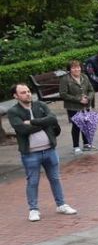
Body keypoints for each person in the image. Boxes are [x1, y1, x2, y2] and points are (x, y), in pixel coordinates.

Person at [8, 84, 75, 221]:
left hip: (50, 150)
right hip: (31, 153)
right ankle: (33, 209)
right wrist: (43, 124)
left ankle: (61, 204)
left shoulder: (40, 105)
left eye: (28, 91)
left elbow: (52, 119)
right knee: (33, 181)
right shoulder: (13, 111)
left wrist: (32, 122)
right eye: (23, 92)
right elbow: (22, 130)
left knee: (55, 179)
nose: (27, 94)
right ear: (15, 96)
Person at [57, 60, 98, 155]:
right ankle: (76, 146)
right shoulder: (65, 79)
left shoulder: (84, 77)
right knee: (76, 126)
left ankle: (87, 143)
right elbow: (63, 94)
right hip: (73, 107)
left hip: (86, 105)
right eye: (74, 68)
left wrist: (88, 98)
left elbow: (91, 90)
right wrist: (78, 99)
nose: (77, 69)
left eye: (78, 67)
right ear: (69, 69)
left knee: (87, 123)